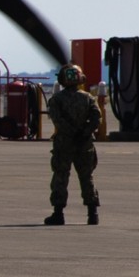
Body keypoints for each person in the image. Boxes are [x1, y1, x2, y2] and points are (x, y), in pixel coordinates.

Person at [47, 64, 102, 226]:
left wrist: (71, 133)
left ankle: (58, 213)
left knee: (60, 176)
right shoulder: (88, 98)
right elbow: (96, 119)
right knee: (86, 177)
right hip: (84, 144)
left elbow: (58, 120)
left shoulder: (56, 100)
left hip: (65, 143)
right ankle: (93, 214)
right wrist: (84, 133)